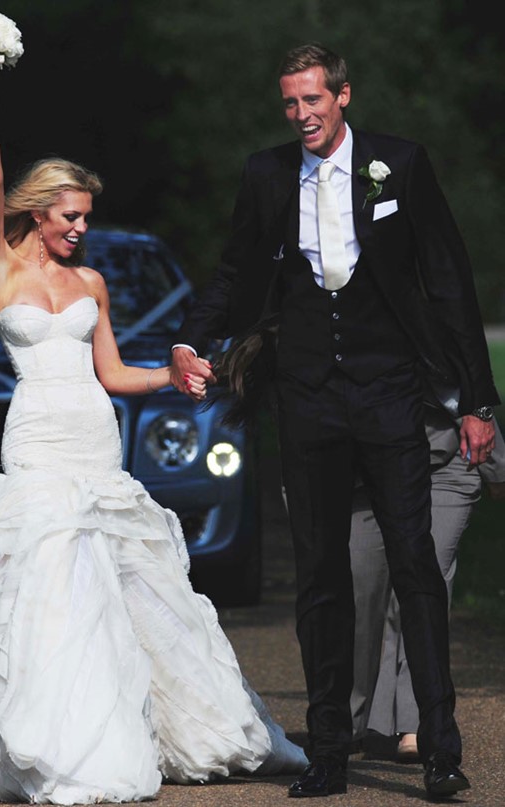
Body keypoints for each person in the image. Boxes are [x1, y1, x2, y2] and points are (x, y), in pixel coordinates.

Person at [0, 59, 307, 803]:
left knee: (115, 581)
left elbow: (115, 372)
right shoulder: (0, 269)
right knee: (41, 573)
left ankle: (129, 718)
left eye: (86, 217)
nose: (81, 229)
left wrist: (174, 375)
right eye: (70, 217)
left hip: (94, 434)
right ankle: (42, 734)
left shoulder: (90, 283)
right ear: (38, 213)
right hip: (36, 435)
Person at [170, 42, 500, 799]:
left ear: (343, 96)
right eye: (290, 104)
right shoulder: (266, 174)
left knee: (416, 565)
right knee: (319, 577)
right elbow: (234, 269)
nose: (302, 115)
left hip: (391, 392)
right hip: (309, 397)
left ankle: (441, 747)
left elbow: (449, 282)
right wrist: (192, 337)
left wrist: (479, 402)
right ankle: (328, 749)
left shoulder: (401, 165)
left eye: (313, 100)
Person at [350, 408, 505, 760]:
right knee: (374, 592)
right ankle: (368, 720)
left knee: (425, 583)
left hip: (450, 461)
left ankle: (415, 722)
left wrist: (496, 461)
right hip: (376, 463)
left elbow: (472, 377)